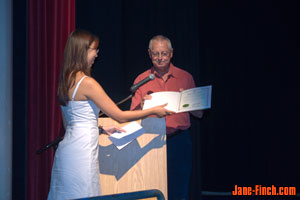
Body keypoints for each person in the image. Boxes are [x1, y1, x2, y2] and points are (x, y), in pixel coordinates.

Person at [47, 30, 174, 200]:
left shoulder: (66, 80)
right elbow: (119, 115)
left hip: (68, 151)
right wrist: (152, 111)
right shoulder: (87, 83)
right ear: (82, 51)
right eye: (94, 49)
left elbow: (70, 124)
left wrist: (100, 129)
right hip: (82, 154)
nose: (97, 54)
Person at [130, 35, 203, 200]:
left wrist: (188, 101)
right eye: (155, 54)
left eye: (164, 53)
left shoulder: (185, 77)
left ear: (171, 53)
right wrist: (142, 106)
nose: (160, 58)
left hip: (179, 141)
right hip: (150, 140)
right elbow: (131, 117)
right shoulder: (141, 80)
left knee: (179, 191)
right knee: (151, 189)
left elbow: (199, 114)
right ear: (149, 54)